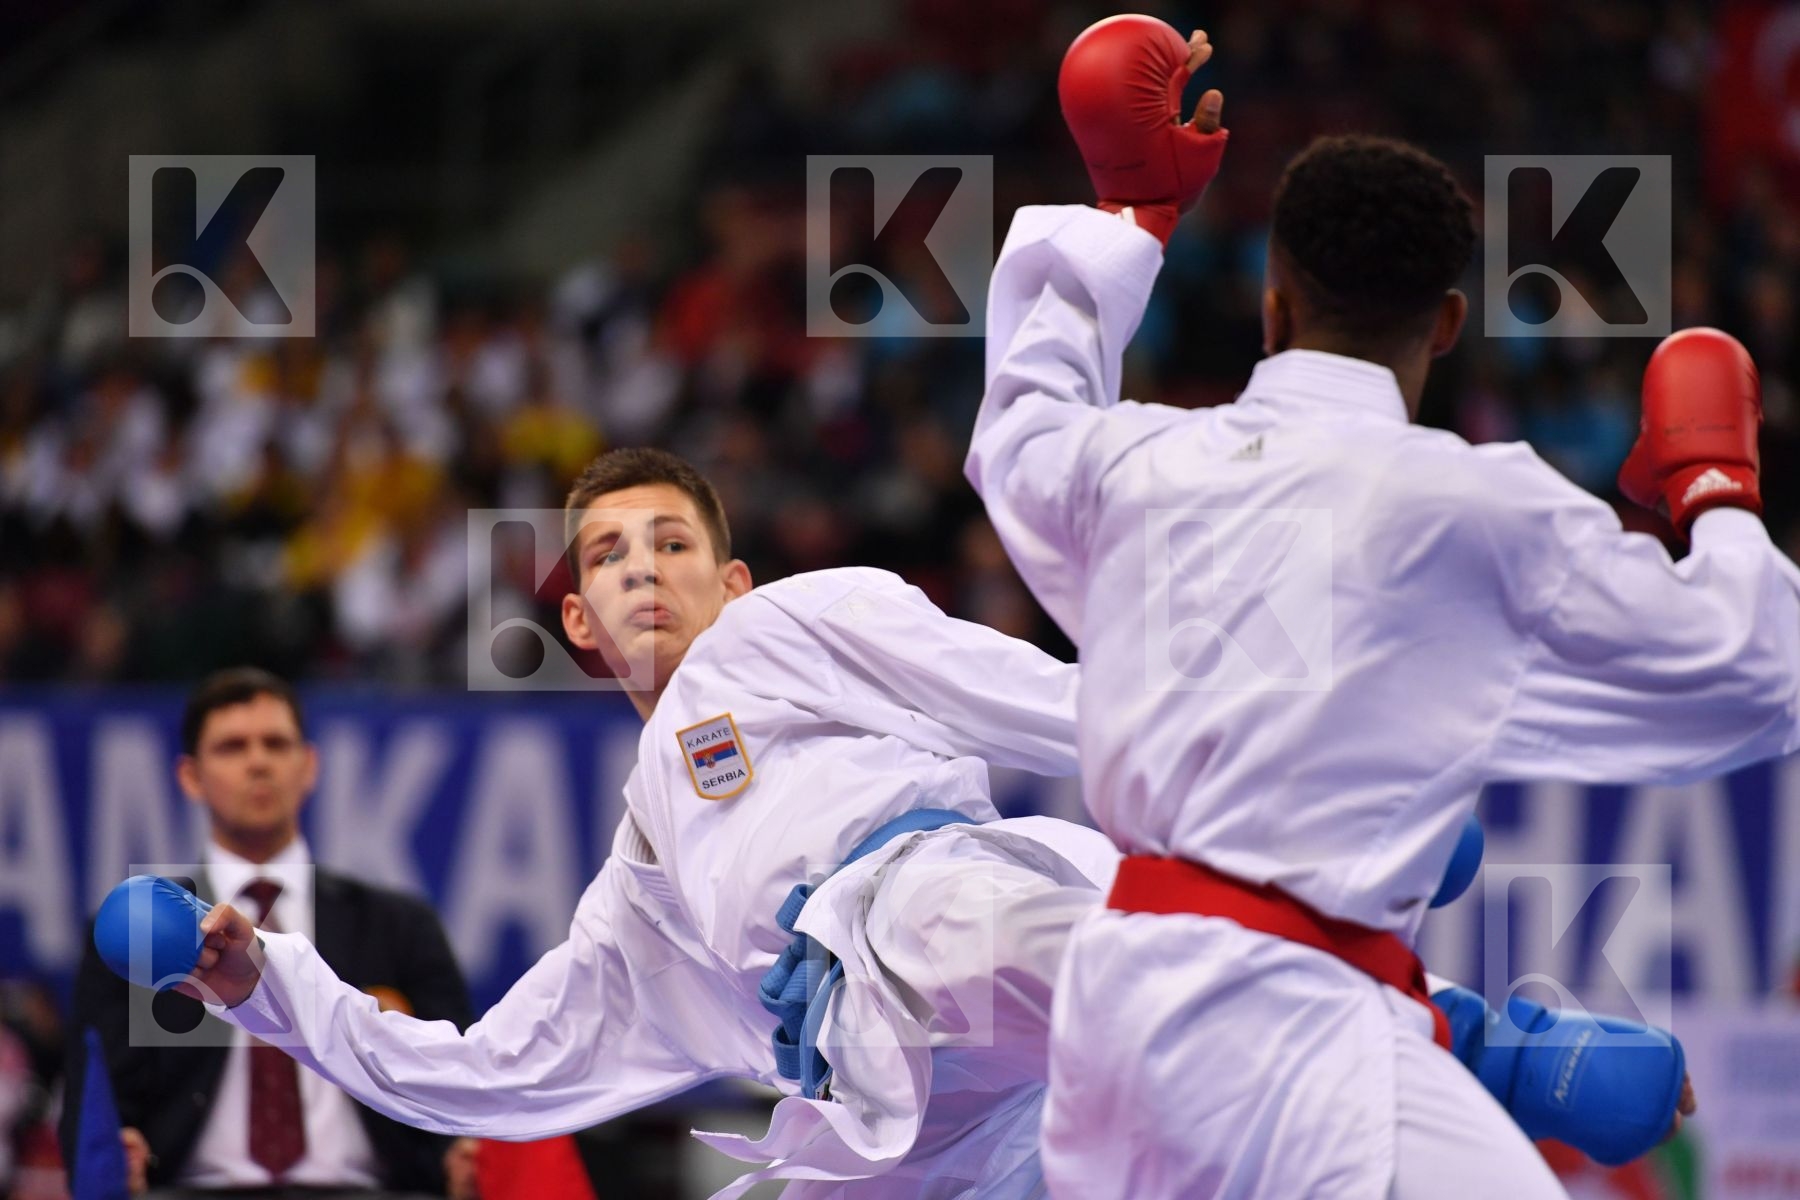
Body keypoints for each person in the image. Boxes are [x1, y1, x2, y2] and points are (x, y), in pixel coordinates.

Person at [159, 451, 1696, 1199]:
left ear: (733, 581)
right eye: (609, 556)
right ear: (572, 620)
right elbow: (484, 1074)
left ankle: (1470, 1034)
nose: (643, 570)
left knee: (1031, 940)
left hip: (945, 905)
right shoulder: (635, 888)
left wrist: (1272, 781)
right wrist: (269, 990)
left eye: (675, 541)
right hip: (901, 1130)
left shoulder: (796, 629)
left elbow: (1046, 701)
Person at [965, 15, 1793, 1200]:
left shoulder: (1133, 468)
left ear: (1272, 306)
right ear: (1447, 328)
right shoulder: (1481, 507)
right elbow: (1756, 671)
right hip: (1287, 1031)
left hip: (1121, 1017)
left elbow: (1020, 430)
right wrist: (1719, 487)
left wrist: (1129, 218)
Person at [63, 668, 477, 1197]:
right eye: (233, 747)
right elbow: (99, 1100)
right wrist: (120, 1154)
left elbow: (458, 1082)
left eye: (276, 744)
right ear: (191, 776)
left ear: (308, 767)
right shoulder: (145, 927)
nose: (258, 762)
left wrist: (456, 1160)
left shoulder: (396, 925)